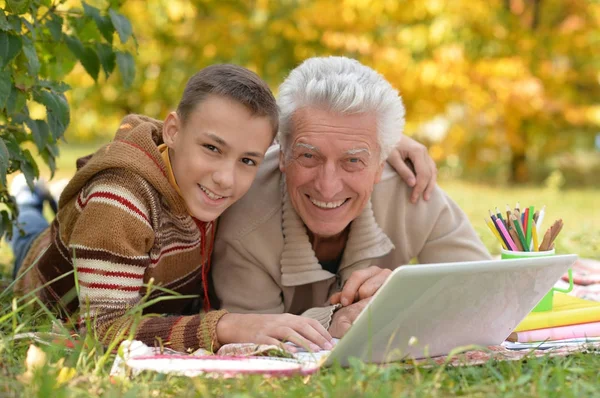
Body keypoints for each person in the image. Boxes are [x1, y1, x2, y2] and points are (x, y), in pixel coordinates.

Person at [10, 63, 437, 353]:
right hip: (50, 292)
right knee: (28, 230)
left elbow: (303, 134)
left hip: (145, 286)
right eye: (211, 148)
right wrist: (226, 326)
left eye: (247, 160)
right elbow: (96, 331)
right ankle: (28, 200)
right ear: (173, 131)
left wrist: (383, 142)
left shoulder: (220, 169)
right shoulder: (119, 203)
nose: (225, 178)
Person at [211, 56, 492, 340]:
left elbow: (488, 295)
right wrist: (335, 320)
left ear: (380, 166)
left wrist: (405, 297)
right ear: (282, 154)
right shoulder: (245, 216)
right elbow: (259, 342)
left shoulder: (412, 190)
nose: (327, 186)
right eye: (309, 155)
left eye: (353, 161)